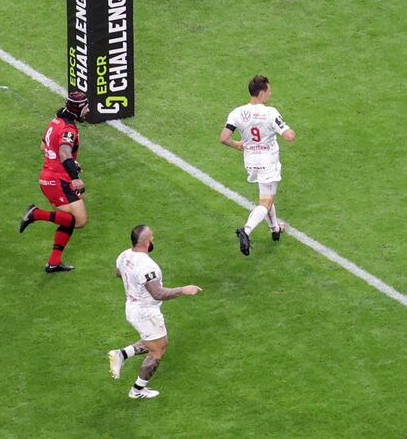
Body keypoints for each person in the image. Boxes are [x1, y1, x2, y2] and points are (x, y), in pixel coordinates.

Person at [107, 225, 202, 399]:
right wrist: (183, 289)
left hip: (132, 307)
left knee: (154, 341)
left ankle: (121, 354)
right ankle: (137, 390)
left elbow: (119, 273)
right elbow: (158, 293)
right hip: (146, 313)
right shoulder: (147, 267)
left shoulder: (125, 255)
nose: (153, 240)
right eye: (152, 238)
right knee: (158, 350)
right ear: (145, 242)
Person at [219, 75, 296, 256]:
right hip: (267, 161)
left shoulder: (237, 112)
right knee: (266, 202)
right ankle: (246, 230)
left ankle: (275, 229)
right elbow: (289, 136)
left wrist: (238, 144)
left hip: (251, 161)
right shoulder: (270, 113)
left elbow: (223, 138)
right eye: (268, 91)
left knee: (266, 196)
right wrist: (289, 130)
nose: (270, 94)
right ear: (261, 93)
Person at [19, 91, 90, 273]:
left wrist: (70, 163)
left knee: (67, 221)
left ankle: (53, 262)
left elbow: (45, 147)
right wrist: (74, 178)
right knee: (80, 220)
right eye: (86, 107)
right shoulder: (68, 129)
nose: (88, 111)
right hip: (59, 181)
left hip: (48, 177)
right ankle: (36, 214)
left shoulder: (55, 122)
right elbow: (64, 152)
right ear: (77, 109)